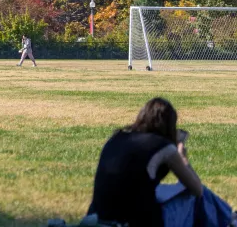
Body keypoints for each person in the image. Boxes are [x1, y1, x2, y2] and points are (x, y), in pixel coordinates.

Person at [88, 97, 205, 227]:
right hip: (134, 222)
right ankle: (229, 219)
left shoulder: (117, 137)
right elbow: (197, 190)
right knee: (197, 197)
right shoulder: (163, 146)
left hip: (96, 218)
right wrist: (182, 157)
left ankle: (230, 217)